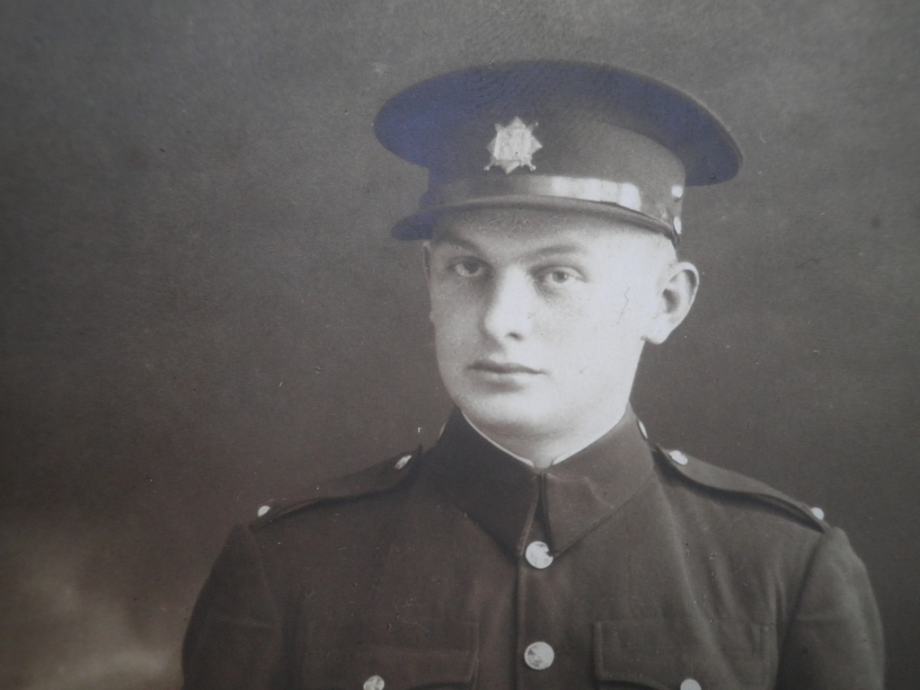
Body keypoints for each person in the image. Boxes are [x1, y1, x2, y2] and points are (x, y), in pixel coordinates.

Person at [181, 61, 884, 689]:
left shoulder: (785, 571)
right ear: (428, 283)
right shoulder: (288, 566)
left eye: (557, 275)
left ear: (665, 302)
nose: (498, 319)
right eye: (468, 268)